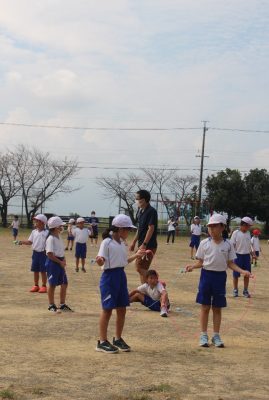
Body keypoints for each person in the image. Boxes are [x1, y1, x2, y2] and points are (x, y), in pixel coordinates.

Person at [185, 214, 253, 348]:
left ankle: (216, 335)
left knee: (217, 308)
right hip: (206, 276)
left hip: (220, 277)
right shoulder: (204, 243)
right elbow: (201, 262)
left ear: (222, 227)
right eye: (209, 226)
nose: (211, 229)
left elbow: (230, 263)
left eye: (214, 226)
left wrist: (243, 271)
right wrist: (192, 266)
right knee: (205, 307)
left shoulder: (228, 245)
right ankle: (203, 335)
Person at [95, 214, 145, 354]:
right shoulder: (107, 242)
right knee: (108, 309)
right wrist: (99, 260)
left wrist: (136, 256)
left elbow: (123, 262)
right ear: (120, 229)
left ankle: (117, 338)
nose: (129, 232)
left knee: (122, 308)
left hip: (120, 276)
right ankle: (102, 341)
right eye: (128, 229)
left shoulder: (122, 243)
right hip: (109, 278)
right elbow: (101, 259)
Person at [129, 190, 158, 283]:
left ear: (144, 200)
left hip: (149, 245)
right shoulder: (141, 211)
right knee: (142, 268)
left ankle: (156, 283)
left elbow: (151, 228)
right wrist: (134, 242)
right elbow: (140, 229)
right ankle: (145, 290)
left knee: (139, 267)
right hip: (142, 244)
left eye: (137, 198)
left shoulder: (151, 211)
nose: (136, 200)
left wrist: (145, 244)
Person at [46, 216, 73, 313]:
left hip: (60, 262)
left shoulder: (59, 237)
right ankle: (51, 305)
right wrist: (60, 262)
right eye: (61, 226)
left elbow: (61, 251)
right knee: (52, 284)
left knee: (64, 283)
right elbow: (49, 254)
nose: (62, 227)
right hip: (53, 263)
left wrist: (64, 260)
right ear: (56, 227)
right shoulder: (51, 238)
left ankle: (62, 304)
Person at [18, 214, 48, 293]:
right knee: (35, 270)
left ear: (42, 222)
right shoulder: (34, 232)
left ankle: (44, 286)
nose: (35, 222)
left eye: (37, 221)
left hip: (43, 254)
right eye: (35, 221)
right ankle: (36, 285)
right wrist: (21, 242)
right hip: (35, 253)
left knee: (43, 271)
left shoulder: (47, 233)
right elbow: (30, 242)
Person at [230, 217, 254, 298]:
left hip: (246, 257)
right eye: (248, 226)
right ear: (243, 225)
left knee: (247, 274)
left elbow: (249, 244)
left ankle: (245, 291)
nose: (249, 228)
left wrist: (252, 253)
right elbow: (232, 245)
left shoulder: (248, 233)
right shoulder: (235, 233)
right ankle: (235, 290)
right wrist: (232, 257)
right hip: (237, 256)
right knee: (236, 275)